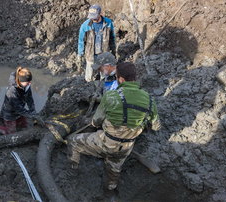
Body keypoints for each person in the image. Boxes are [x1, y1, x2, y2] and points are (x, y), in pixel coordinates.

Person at [67, 62, 161, 191]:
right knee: (114, 168)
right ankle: (111, 188)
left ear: (121, 79)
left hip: (106, 143)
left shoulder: (111, 96)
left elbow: (96, 122)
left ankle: (72, 171)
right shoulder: (150, 100)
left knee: (73, 141)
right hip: (126, 148)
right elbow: (155, 126)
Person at [0, 66, 43, 135]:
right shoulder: (12, 91)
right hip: (9, 114)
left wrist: (33, 111)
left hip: (20, 111)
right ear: (20, 81)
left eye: (30, 81)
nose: (30, 83)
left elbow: (29, 99)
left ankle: (20, 125)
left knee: (24, 125)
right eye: (27, 82)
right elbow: (17, 108)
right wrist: (31, 115)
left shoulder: (26, 86)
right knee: (11, 133)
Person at [77, 4, 116, 82]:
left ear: (100, 14)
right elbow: (81, 41)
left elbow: (112, 38)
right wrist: (80, 54)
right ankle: (88, 84)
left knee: (104, 74)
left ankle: (102, 84)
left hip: (104, 52)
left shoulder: (108, 23)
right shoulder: (85, 26)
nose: (93, 19)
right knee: (89, 73)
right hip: (90, 53)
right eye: (91, 17)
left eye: (94, 17)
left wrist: (114, 51)